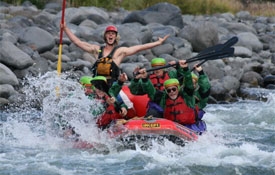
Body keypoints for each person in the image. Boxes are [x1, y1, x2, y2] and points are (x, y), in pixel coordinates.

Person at [61, 23, 170, 86]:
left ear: (115, 37)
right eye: (108, 34)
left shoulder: (120, 52)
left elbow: (139, 48)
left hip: (113, 86)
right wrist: (65, 28)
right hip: (98, 86)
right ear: (105, 36)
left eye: (113, 34)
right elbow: (78, 43)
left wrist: (158, 43)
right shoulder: (96, 50)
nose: (110, 35)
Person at [130, 60, 198, 126]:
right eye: (169, 90)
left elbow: (188, 83)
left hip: (185, 124)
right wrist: (140, 79)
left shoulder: (186, 96)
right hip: (157, 106)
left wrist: (182, 68)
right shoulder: (163, 98)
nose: (172, 92)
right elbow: (149, 90)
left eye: (174, 89)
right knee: (153, 113)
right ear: (166, 91)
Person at [183, 64, 211, 133]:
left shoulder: (200, 94)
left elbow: (205, 87)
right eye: (191, 83)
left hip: (195, 123)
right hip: (181, 121)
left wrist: (201, 72)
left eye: (194, 83)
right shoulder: (179, 93)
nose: (192, 85)